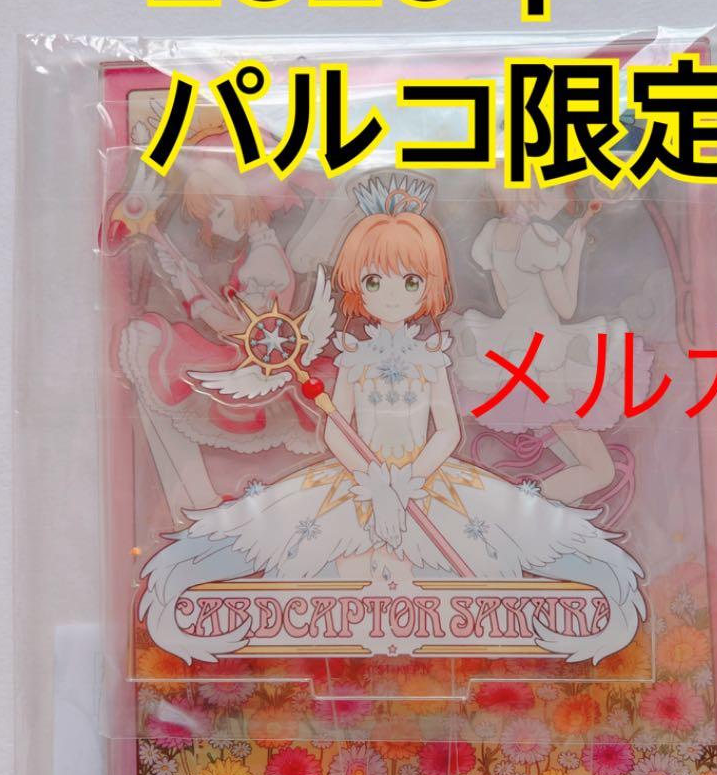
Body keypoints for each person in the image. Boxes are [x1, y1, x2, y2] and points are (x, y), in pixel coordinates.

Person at [138, 175, 647, 665]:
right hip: (359, 479)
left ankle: (437, 628)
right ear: (357, 285)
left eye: (411, 281)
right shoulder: (353, 357)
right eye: (374, 281)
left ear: (429, 286)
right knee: (323, 559)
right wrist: (368, 475)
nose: (392, 295)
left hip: (422, 479)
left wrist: (411, 478)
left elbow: (447, 431)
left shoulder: (432, 358)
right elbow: (337, 425)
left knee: (465, 559)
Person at [109, 158, 322, 519]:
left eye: (218, 213)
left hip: (256, 367)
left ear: (243, 202)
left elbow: (241, 330)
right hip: (248, 358)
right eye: (208, 219)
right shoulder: (258, 252)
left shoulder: (263, 261)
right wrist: (188, 282)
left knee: (150, 347)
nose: (214, 228)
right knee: (149, 356)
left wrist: (192, 294)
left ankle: (198, 497)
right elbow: (237, 315)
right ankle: (193, 497)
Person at [450, 178, 653, 505]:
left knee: (579, 465)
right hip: (546, 355)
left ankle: (552, 518)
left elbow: (505, 301)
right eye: (554, 189)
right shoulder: (538, 237)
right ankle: (517, 510)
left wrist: (568, 246)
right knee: (600, 471)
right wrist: (572, 254)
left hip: (512, 347)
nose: (560, 199)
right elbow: (566, 307)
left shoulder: (493, 233)